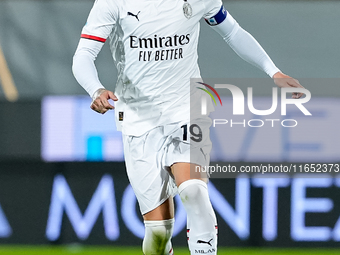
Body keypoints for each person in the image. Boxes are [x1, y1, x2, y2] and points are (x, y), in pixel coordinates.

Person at [72, 0, 304, 254]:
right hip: (139, 122)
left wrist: (274, 72)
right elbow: (84, 55)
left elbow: (233, 32)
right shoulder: (114, 2)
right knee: (159, 232)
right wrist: (95, 89)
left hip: (187, 111)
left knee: (194, 191)